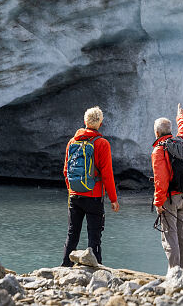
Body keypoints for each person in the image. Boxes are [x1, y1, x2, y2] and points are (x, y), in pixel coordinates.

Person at [61, 105, 119, 267]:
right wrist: (113, 199)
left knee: (72, 234)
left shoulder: (72, 141)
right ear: (100, 123)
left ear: (84, 121)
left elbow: (66, 170)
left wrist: (72, 189)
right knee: (94, 235)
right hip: (94, 196)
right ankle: (96, 268)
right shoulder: (101, 143)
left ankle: (65, 266)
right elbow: (107, 174)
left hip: (74, 195)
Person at [152, 103, 183, 270]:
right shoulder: (182, 141)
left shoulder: (159, 150)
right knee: (182, 234)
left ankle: (174, 272)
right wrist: (180, 116)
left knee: (170, 235)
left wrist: (158, 202)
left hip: (170, 198)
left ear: (157, 133)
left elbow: (160, 179)